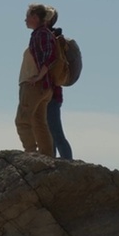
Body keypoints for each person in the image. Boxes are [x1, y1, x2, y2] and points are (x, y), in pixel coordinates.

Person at [15, 4, 56, 155]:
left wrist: (39, 76)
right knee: (39, 123)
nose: (25, 20)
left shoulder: (41, 34)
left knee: (22, 121)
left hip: (34, 85)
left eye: (27, 17)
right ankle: (46, 156)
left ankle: (31, 154)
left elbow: (50, 56)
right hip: (43, 87)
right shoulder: (42, 34)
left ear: (35, 17)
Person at [45, 11, 73, 160]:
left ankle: (68, 165)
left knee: (56, 133)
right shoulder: (54, 38)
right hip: (53, 94)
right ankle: (57, 163)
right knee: (51, 133)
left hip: (51, 94)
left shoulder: (50, 40)